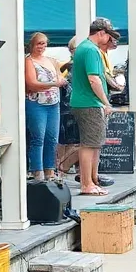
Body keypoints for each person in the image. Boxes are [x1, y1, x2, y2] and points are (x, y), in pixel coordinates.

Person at [72, 18, 118, 196]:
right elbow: (94, 79)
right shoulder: (91, 50)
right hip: (89, 103)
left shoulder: (84, 47)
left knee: (95, 143)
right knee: (89, 145)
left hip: (87, 102)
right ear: (101, 33)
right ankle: (86, 183)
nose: (109, 40)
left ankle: (93, 179)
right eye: (109, 36)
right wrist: (106, 102)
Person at [24, 32, 64, 182]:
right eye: (39, 44)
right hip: (36, 102)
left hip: (53, 102)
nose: (41, 47)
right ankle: (37, 171)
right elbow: (32, 84)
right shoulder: (29, 61)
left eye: (44, 43)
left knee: (52, 138)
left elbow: (60, 75)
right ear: (32, 45)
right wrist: (53, 84)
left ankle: (50, 170)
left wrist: (60, 80)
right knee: (38, 137)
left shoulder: (51, 61)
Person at [56, 36, 81, 179]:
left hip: (68, 106)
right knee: (74, 141)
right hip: (69, 106)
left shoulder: (67, 66)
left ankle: (71, 169)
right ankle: (62, 168)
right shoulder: (72, 67)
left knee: (69, 141)